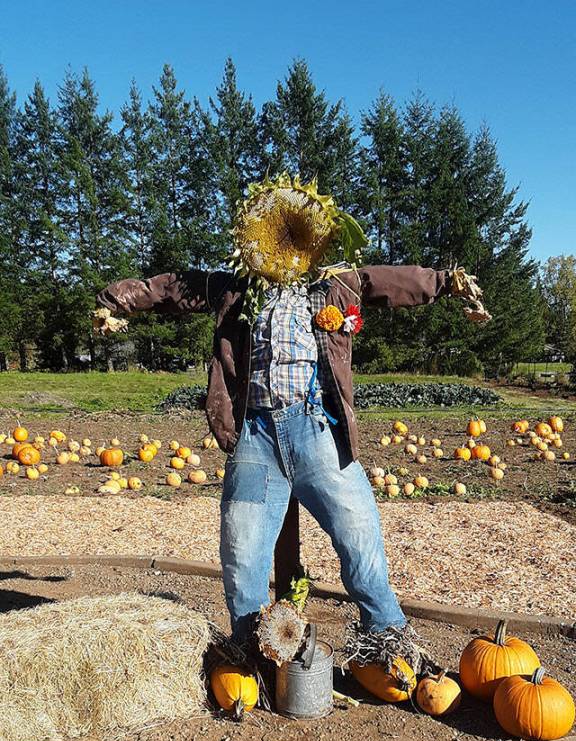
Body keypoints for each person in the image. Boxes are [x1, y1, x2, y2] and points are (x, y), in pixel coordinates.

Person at [94, 175, 490, 678]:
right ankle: (249, 657)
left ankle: (387, 641)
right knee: (242, 553)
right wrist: (116, 301)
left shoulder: (335, 284)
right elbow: (172, 288)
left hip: (317, 432)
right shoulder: (233, 289)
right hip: (254, 437)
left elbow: (389, 281)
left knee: (358, 533)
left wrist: (445, 281)